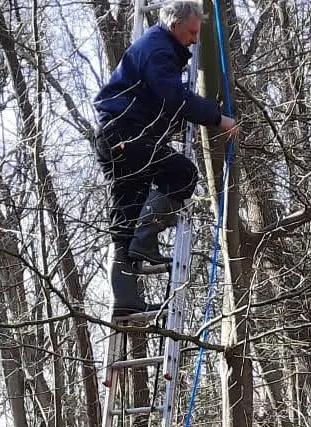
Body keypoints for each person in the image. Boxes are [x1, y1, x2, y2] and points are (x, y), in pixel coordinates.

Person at [93, 0, 239, 318]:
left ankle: (125, 299)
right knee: (183, 174)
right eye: (192, 32)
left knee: (126, 218)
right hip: (126, 135)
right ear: (175, 26)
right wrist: (217, 118)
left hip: (115, 137)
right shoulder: (158, 50)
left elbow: (156, 100)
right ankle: (144, 240)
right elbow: (173, 97)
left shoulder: (155, 48)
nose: (195, 40)